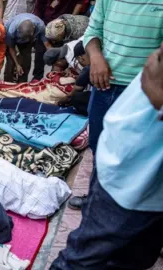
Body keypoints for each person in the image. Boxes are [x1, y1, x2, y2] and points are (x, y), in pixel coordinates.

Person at [50, 45, 163, 270]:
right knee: (115, 254)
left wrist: (157, 96)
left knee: (89, 257)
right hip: (135, 160)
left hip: (139, 170)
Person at [68, 0, 163, 210]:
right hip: (105, 86)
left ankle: (126, 207)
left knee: (137, 151)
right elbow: (93, 31)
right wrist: (96, 56)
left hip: (143, 91)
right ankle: (96, 198)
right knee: (99, 144)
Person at [3, 13, 51, 83]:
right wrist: (17, 64)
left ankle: (22, 83)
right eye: (23, 38)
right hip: (12, 37)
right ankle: (7, 83)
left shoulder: (40, 25)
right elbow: (11, 48)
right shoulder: (11, 30)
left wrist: (54, 57)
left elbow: (47, 44)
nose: (24, 40)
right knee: (10, 62)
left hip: (29, 38)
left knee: (26, 60)